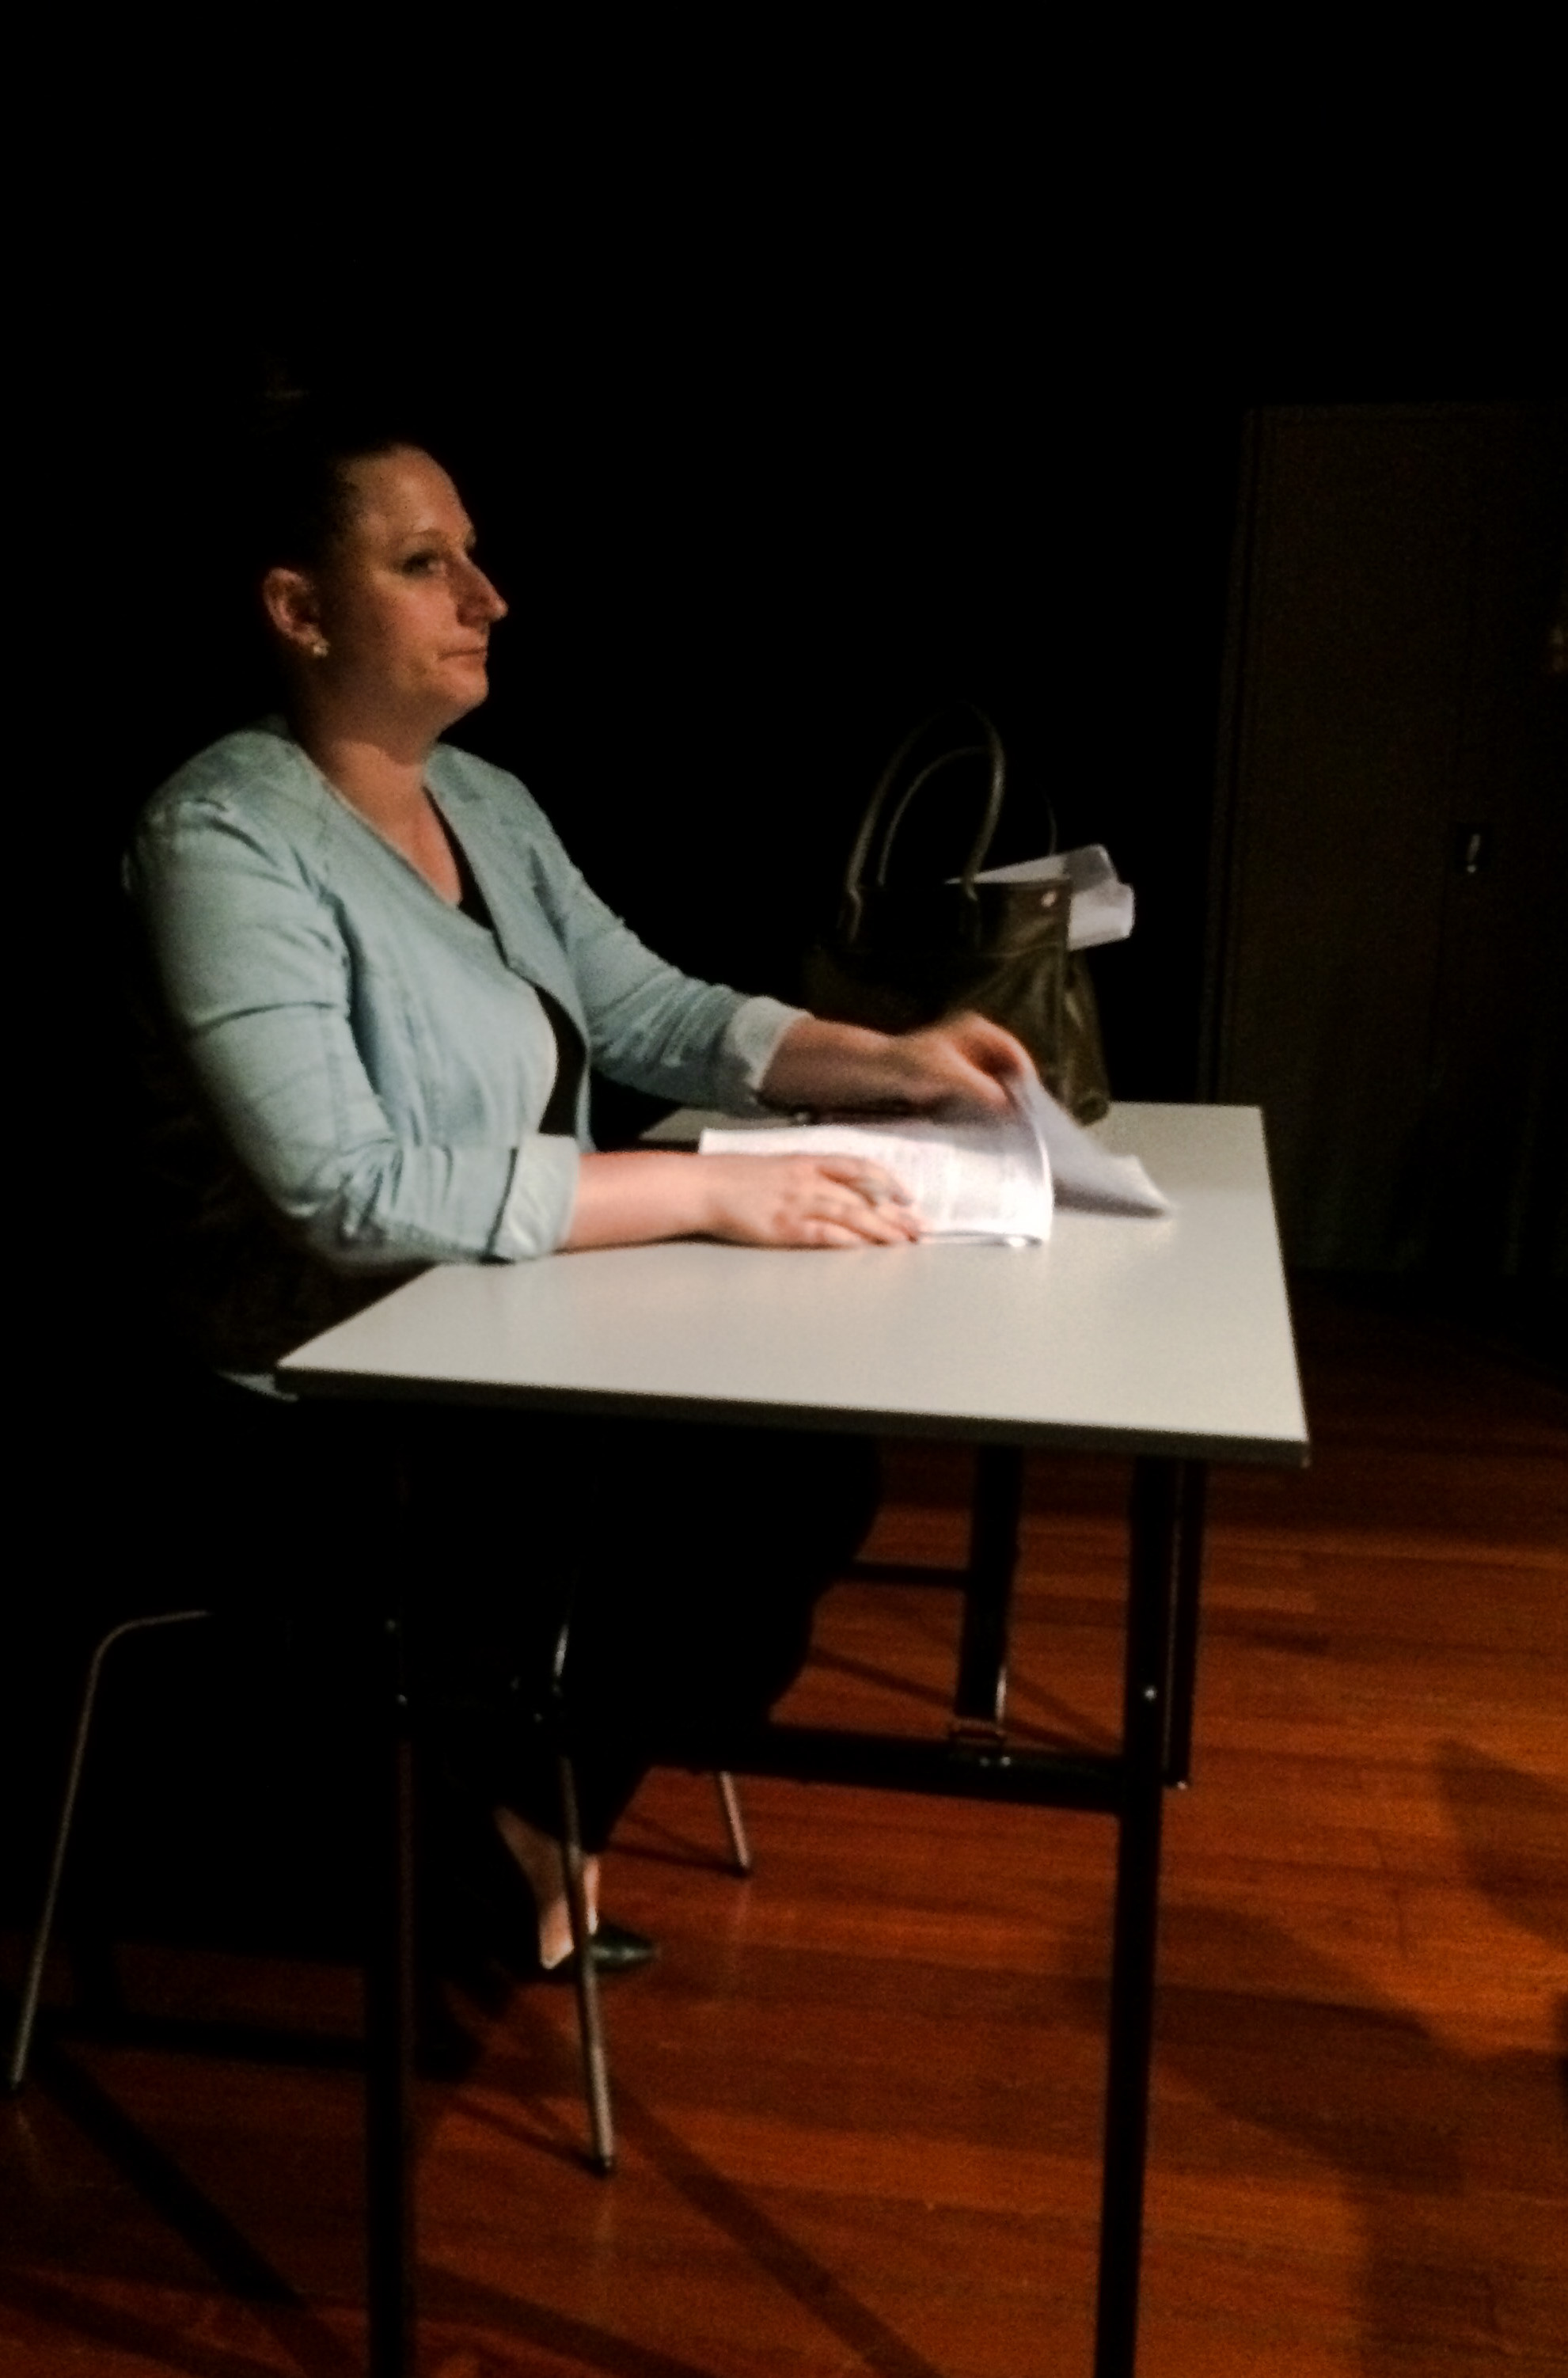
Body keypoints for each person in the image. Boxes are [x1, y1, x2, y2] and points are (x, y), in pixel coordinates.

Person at [127, 405, 1031, 1986]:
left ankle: (536, 1806)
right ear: (298, 607)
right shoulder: (222, 836)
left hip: (506, 1318)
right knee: (743, 1485)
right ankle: (512, 1827)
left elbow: (654, 1010)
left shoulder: (485, 801)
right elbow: (341, 1187)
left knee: (798, 1459)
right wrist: (692, 1195)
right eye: (427, 564)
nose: (487, 596)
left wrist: (893, 1065)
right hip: (319, 1376)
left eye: (473, 557)